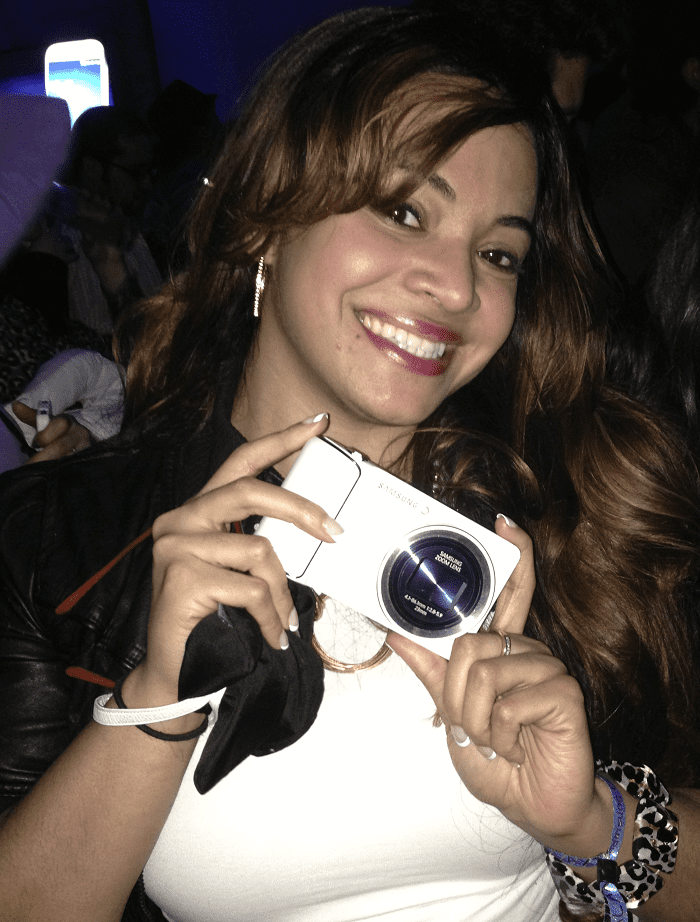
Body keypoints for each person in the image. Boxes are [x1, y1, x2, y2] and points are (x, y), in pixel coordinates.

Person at [0, 7, 699, 922]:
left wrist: (591, 822)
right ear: (266, 217)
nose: (457, 287)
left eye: (498, 254)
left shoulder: (564, 504)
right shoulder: (59, 538)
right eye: (405, 212)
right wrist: (157, 702)